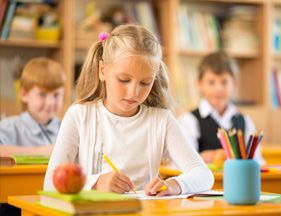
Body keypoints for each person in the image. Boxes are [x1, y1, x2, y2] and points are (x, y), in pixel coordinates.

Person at [44, 24, 214, 196]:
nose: (134, 92)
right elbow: (50, 183)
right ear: (102, 71)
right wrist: (96, 182)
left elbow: (204, 175)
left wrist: (174, 185)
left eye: (145, 83)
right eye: (124, 80)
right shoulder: (79, 115)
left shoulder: (162, 120)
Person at [179, 51, 265, 165]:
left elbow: (257, 161)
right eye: (211, 82)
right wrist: (211, 156)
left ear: (234, 84)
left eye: (224, 82)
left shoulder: (244, 120)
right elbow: (185, 161)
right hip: (206, 182)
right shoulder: (189, 120)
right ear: (199, 84)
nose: (218, 88)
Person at [0, 57, 65, 157]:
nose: (50, 102)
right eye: (42, 94)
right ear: (24, 94)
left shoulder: (66, 127)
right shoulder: (10, 127)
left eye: (56, 95)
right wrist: (42, 152)